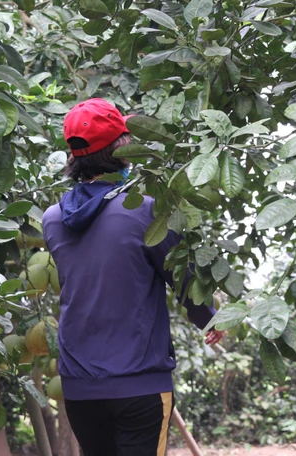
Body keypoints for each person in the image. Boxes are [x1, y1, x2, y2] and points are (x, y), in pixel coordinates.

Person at [42, 98, 224, 456]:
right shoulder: (146, 211)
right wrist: (210, 320)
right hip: (137, 384)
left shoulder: (52, 218)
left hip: (79, 386)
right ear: (122, 147)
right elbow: (182, 277)